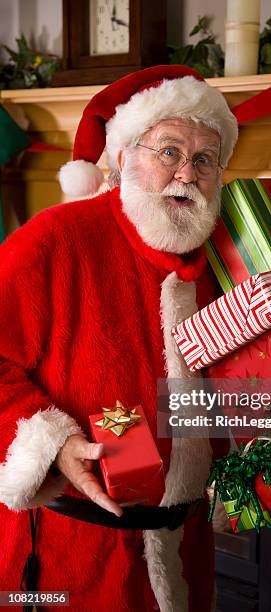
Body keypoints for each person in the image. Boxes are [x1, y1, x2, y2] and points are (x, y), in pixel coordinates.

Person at [0, 65, 238, 611]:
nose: (186, 174)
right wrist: (53, 442)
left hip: (187, 551)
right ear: (123, 157)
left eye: (205, 160)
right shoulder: (56, 239)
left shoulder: (228, 258)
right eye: (169, 151)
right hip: (68, 558)